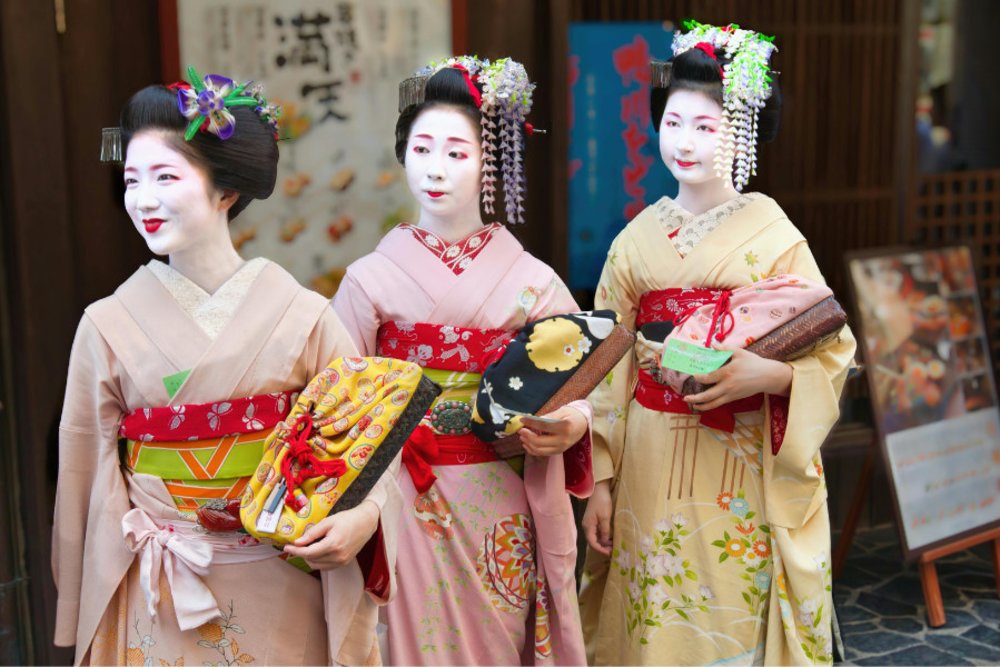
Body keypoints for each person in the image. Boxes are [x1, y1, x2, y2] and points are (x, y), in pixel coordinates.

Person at [52, 69, 400, 665]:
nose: (143, 198)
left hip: (280, 575)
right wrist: (81, 600)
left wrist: (364, 516)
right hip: (159, 582)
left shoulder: (303, 316)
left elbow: (368, 437)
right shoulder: (106, 323)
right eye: (132, 179)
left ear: (225, 190)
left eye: (166, 176)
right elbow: (85, 474)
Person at [578, 22, 857, 665]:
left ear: (743, 132)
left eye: (707, 126)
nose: (684, 141)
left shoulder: (776, 234)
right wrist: (601, 481)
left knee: (731, 614)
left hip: (739, 461)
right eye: (673, 122)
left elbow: (832, 351)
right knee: (651, 615)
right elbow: (605, 371)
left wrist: (769, 377)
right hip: (647, 455)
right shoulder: (633, 242)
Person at [332, 57, 593, 665]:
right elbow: (337, 399)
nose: (435, 169)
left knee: (499, 643)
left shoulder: (533, 281)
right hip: (398, 493)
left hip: (499, 494)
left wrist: (570, 425)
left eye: (457, 152)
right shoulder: (369, 280)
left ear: (490, 161)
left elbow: (583, 383)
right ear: (403, 156)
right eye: (422, 149)